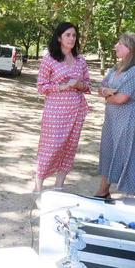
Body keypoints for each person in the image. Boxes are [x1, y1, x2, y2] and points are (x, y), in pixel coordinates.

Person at [34, 22, 91, 192]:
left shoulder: (81, 60)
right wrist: (63, 86)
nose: (72, 38)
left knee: (69, 147)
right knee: (50, 147)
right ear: (59, 37)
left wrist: (79, 85)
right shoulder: (49, 59)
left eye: (74, 35)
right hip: (56, 110)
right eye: (68, 35)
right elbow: (41, 87)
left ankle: (59, 186)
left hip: (77, 110)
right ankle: (38, 187)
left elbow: (88, 85)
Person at [94, 33, 135, 198]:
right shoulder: (116, 68)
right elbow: (100, 87)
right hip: (112, 118)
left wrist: (107, 94)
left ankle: (130, 197)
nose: (115, 46)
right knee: (108, 150)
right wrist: (106, 92)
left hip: (129, 118)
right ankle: (103, 191)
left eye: (120, 43)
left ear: (131, 49)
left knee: (127, 154)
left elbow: (120, 99)